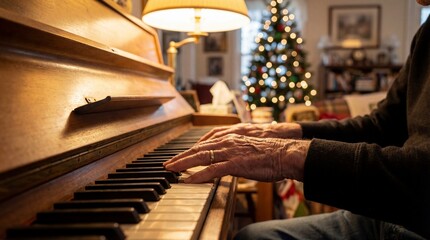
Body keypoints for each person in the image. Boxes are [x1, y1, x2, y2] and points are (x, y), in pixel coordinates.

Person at [164, 1, 430, 239]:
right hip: (387, 216)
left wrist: (287, 155)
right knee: (254, 236)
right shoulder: (426, 33)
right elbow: (380, 127)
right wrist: (288, 131)